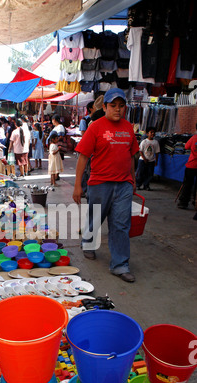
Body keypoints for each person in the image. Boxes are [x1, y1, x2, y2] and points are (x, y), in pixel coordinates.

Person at [73, 87, 139, 283]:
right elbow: (83, 157)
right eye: (113, 106)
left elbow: (132, 156)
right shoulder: (95, 127)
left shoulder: (128, 128)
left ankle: (120, 264)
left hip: (124, 184)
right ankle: (88, 243)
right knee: (96, 218)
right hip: (100, 183)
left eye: (121, 106)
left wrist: (133, 180)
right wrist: (78, 185)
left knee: (120, 224)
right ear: (105, 106)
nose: (117, 109)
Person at [178, 124, 197, 209]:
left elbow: (186, 146)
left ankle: (183, 202)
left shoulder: (194, 138)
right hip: (192, 165)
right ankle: (195, 202)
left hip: (191, 165)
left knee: (187, 184)